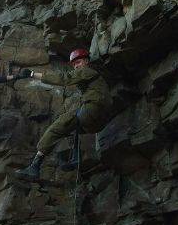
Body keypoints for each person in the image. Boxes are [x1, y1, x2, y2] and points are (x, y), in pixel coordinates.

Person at [15, 48, 111, 180]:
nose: (76, 66)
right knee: (71, 127)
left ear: (87, 61)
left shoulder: (87, 71)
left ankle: (34, 166)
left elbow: (64, 79)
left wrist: (32, 74)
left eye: (78, 62)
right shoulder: (93, 78)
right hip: (99, 120)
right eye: (74, 64)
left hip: (93, 109)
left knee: (57, 127)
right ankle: (74, 158)